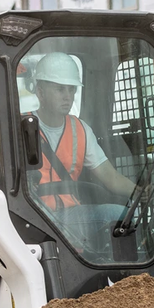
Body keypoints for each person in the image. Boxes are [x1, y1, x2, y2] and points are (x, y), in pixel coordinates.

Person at [29, 52, 137, 247]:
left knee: (130, 215)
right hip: (34, 216)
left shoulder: (80, 130)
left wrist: (138, 193)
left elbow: (109, 177)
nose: (67, 97)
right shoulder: (22, 127)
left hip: (71, 215)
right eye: (60, 90)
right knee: (115, 215)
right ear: (40, 91)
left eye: (71, 90)